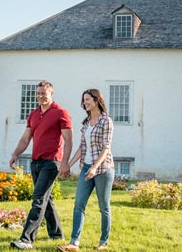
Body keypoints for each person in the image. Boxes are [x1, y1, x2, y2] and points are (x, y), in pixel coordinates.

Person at [9, 80, 73, 250]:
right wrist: (16, 154)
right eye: (38, 93)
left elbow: (68, 140)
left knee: (38, 199)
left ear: (51, 93)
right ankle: (57, 233)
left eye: (44, 93)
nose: (40, 96)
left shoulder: (61, 113)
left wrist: (65, 163)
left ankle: (27, 239)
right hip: (35, 162)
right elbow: (25, 138)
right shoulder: (34, 114)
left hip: (52, 162)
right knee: (47, 199)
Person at [58, 89, 115, 252]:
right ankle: (74, 243)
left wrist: (95, 168)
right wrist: (67, 164)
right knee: (79, 204)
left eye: (88, 99)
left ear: (97, 100)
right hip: (86, 168)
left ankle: (103, 242)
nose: (85, 103)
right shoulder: (86, 122)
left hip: (103, 169)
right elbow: (82, 147)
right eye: (84, 100)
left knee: (104, 206)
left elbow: (106, 147)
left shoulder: (106, 121)